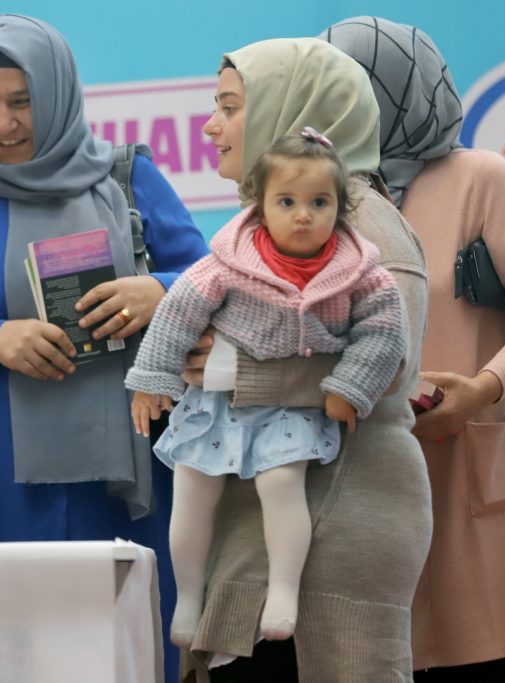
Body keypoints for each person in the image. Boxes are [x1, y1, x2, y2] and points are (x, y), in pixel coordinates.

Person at [0, 13, 210, 681]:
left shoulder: (128, 178)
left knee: (125, 656)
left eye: (21, 101)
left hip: (122, 490)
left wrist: (159, 292)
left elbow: (214, 283)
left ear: (57, 92)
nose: (3, 124)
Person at [322, 17, 505, 680]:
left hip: (470, 464)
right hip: (371, 481)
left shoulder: (479, 178)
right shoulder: (324, 198)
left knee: (470, 655)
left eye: (346, 88)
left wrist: (482, 389)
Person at [175, 39, 433, 682]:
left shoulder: (359, 222)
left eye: (230, 107)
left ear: (291, 112)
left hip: (335, 528)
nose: (211, 126)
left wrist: (234, 371)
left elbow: (390, 365)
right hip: (276, 534)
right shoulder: (273, 226)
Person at [127, 128, 406, 646]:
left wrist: (351, 385)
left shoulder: (360, 271)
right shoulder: (230, 260)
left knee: (281, 484)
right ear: (260, 205)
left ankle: (283, 591)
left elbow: (386, 332)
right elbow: (177, 314)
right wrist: (151, 379)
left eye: (319, 202)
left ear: (340, 207)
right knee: (192, 487)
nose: (303, 216)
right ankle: (187, 594)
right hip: (218, 403)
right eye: (286, 202)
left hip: (289, 407)